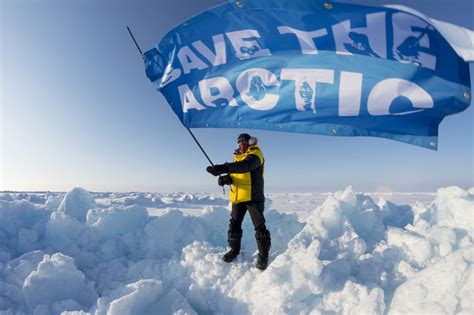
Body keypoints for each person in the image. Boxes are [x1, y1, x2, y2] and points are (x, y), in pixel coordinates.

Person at [206, 133, 271, 270]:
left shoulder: (256, 154)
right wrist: (225, 179)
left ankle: (263, 256)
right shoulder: (237, 157)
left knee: (260, 228)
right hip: (238, 197)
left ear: (250, 142)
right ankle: (234, 250)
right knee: (234, 225)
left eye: (243, 141)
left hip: (253, 196)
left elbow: (246, 166)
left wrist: (222, 167)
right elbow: (236, 175)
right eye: (238, 142)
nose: (241, 144)